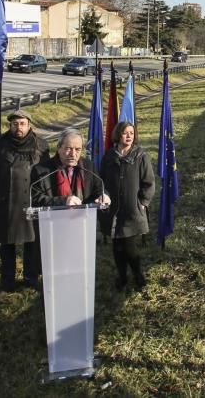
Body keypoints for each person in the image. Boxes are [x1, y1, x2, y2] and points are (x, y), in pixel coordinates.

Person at [0, 109, 50, 292]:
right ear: (10, 125)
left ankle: (30, 279)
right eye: (15, 124)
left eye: (22, 123)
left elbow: (45, 173)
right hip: (6, 200)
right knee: (6, 243)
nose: (18, 127)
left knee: (31, 242)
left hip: (31, 200)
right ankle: (7, 280)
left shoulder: (40, 145)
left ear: (29, 125)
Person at [100, 121, 156, 291]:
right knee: (117, 246)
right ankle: (122, 276)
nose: (129, 136)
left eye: (132, 133)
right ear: (118, 135)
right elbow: (101, 181)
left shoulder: (140, 156)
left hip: (132, 209)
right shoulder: (109, 156)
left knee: (130, 246)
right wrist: (104, 197)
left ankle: (138, 274)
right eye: (125, 133)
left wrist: (143, 203)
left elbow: (149, 182)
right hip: (113, 209)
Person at [32, 129, 111, 208]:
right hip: (54, 218)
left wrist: (103, 196)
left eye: (77, 149)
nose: (73, 154)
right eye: (68, 149)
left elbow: (99, 189)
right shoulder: (41, 170)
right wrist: (63, 201)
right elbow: (35, 199)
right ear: (58, 148)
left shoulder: (88, 166)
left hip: (84, 218)